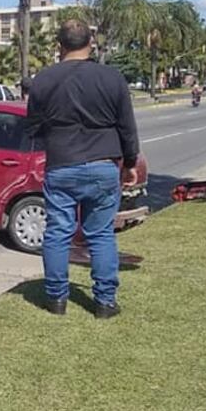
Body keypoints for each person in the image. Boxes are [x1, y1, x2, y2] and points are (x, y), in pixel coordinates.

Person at [25, 19, 141, 319]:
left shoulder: (43, 79)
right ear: (91, 43)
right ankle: (104, 302)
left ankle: (56, 300)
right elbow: (127, 127)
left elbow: (34, 128)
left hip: (62, 163)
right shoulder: (112, 77)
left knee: (58, 232)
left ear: (59, 46)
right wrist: (129, 164)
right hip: (104, 164)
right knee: (100, 234)